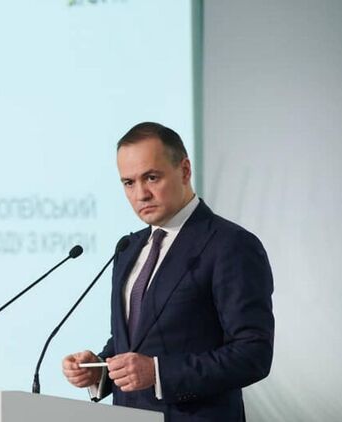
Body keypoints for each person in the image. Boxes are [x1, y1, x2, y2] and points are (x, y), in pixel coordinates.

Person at [62, 122, 274, 421]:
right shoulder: (128, 248)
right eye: (128, 183)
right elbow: (133, 342)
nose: (141, 194)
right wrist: (100, 368)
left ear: (185, 171)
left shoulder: (231, 245)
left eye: (151, 177)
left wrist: (159, 372)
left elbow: (253, 354)